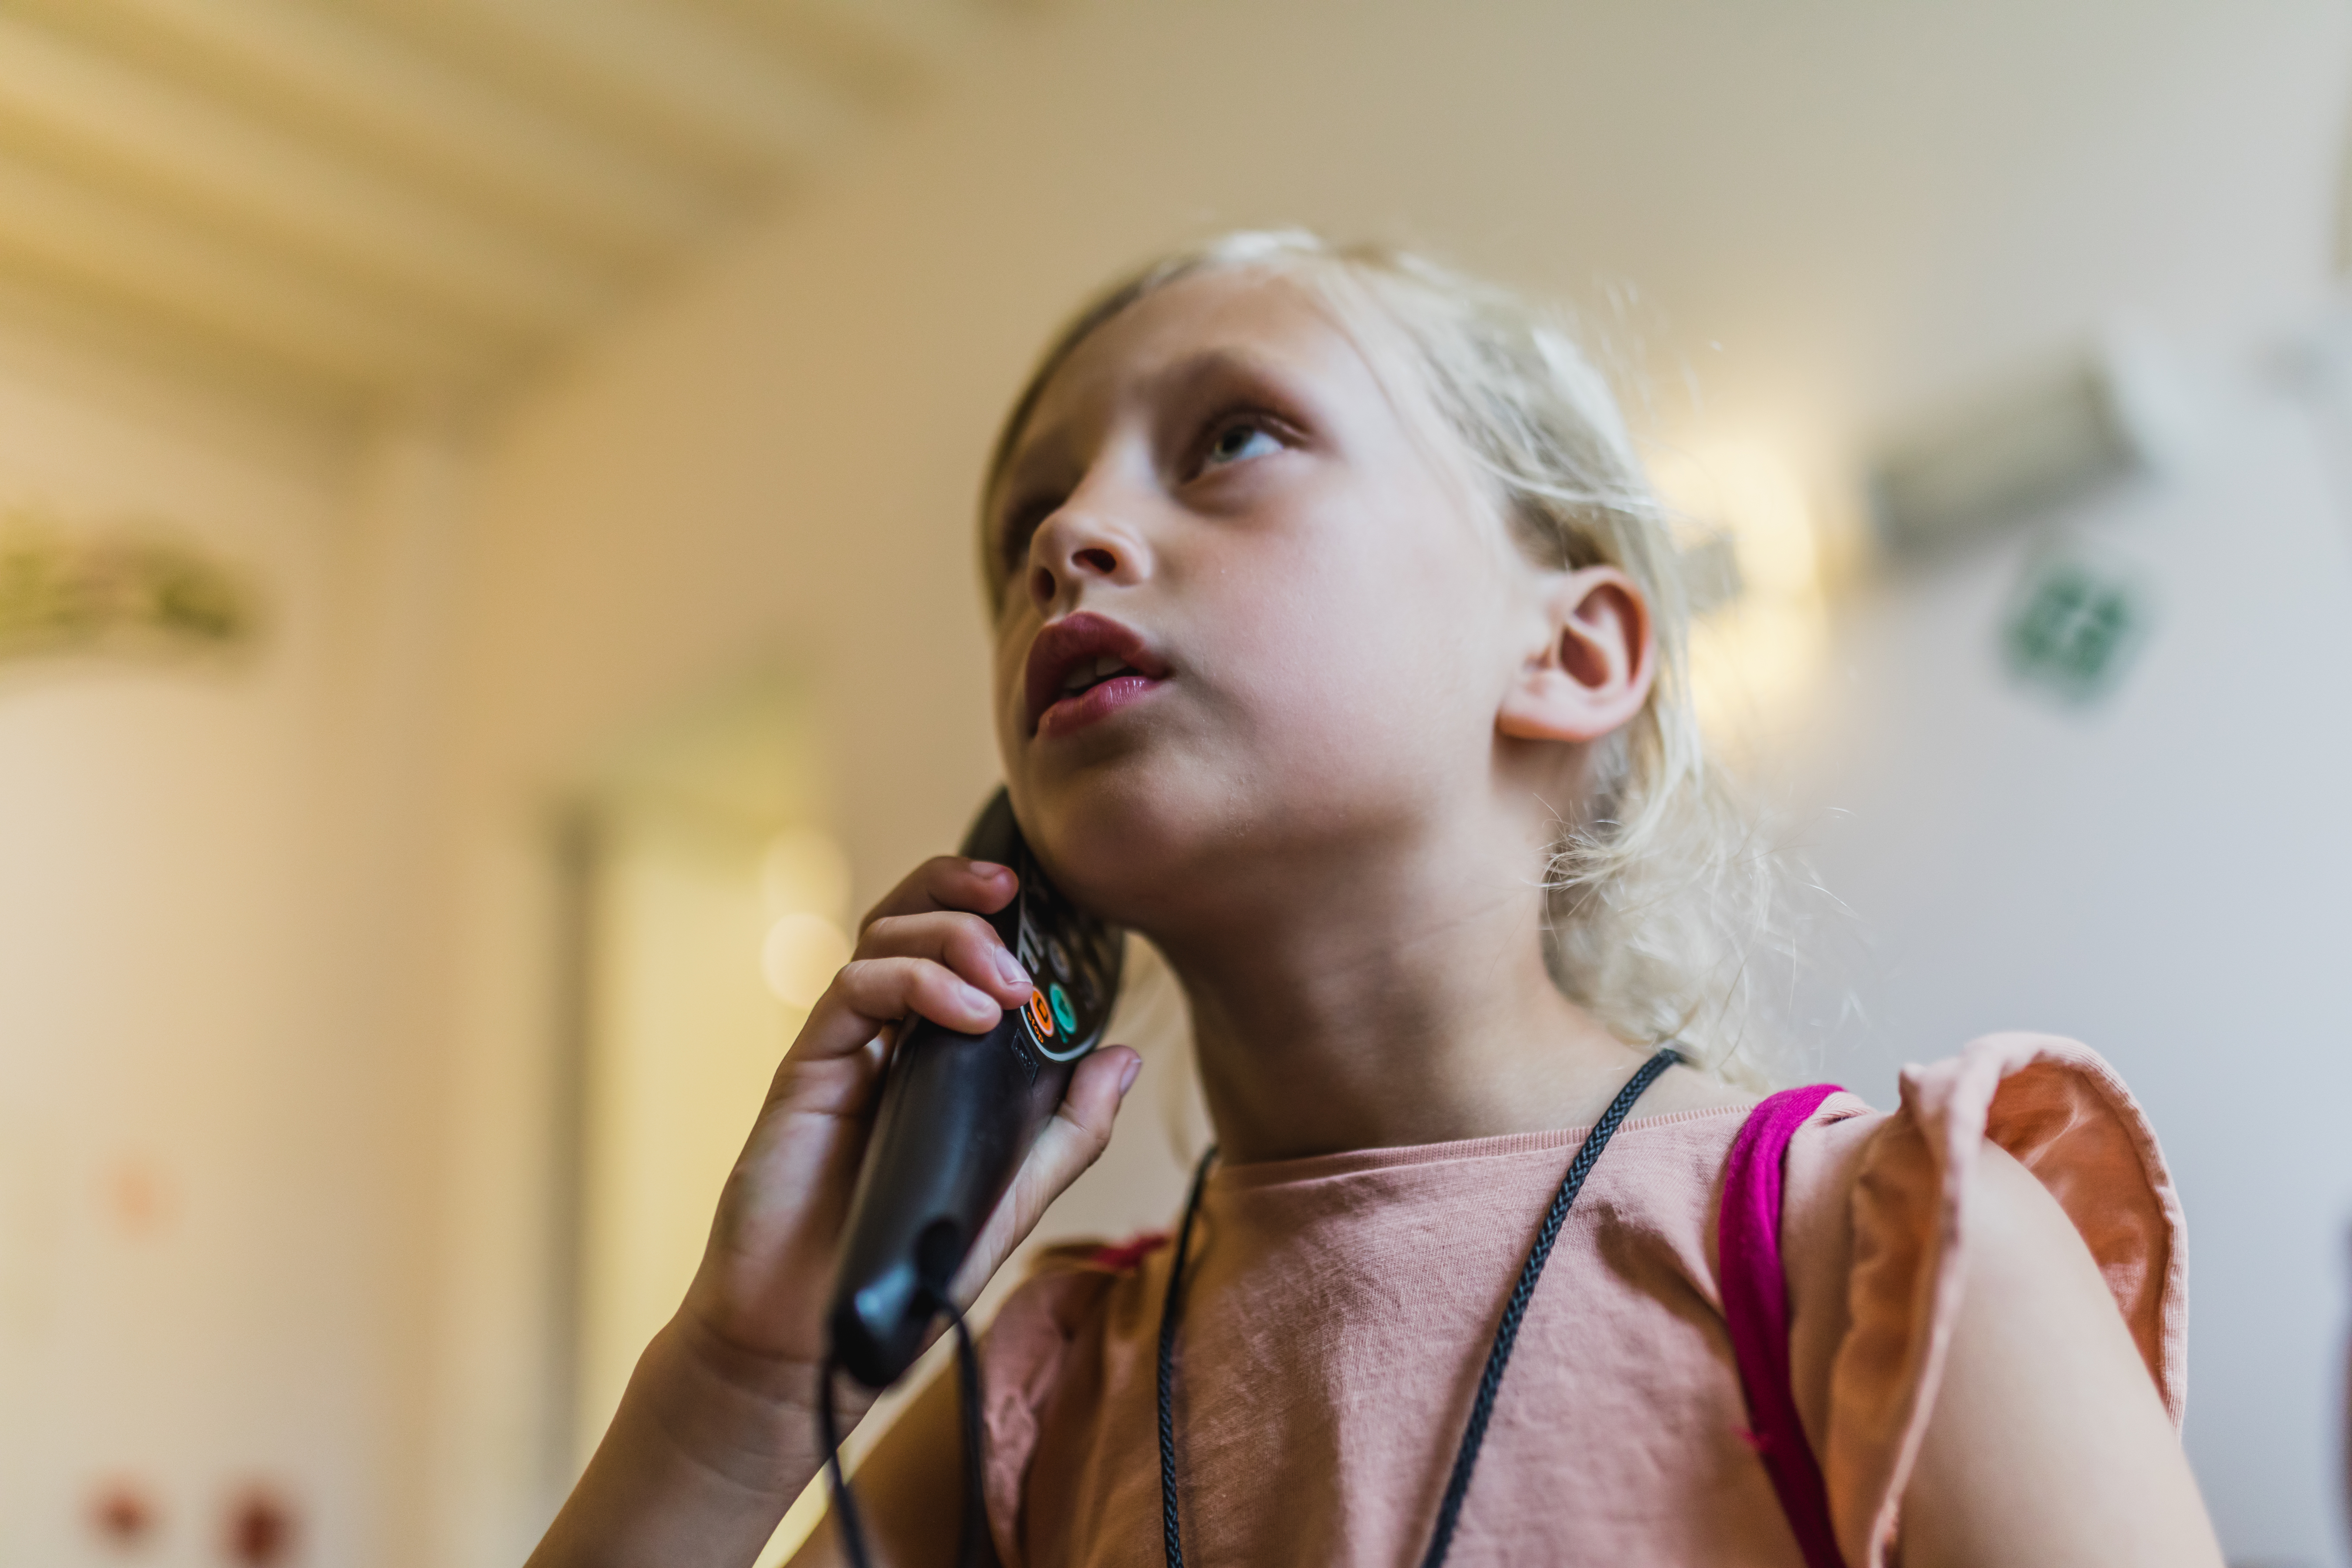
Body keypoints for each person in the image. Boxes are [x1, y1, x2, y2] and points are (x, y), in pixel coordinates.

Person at [527, 233, 2222, 1567]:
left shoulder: (1882, 1259)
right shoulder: (1035, 1399)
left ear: (1567, 653)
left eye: (1234, 439)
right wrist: (740, 1390)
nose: (1073, 539)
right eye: (1029, 519)